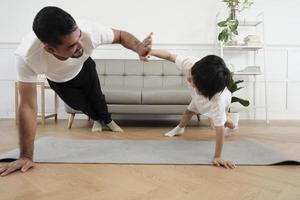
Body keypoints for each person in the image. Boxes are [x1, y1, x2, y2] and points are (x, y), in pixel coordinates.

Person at [0, 6, 152, 176]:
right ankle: (97, 119)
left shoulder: (89, 31)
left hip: (85, 67)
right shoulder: (27, 56)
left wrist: (138, 47)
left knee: (96, 97)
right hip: (60, 81)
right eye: (72, 45)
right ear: (50, 49)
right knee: (80, 105)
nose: (81, 45)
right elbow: (27, 106)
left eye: (79, 36)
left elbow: (121, 35)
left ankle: (108, 121)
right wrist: (25, 156)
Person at [150, 49, 236, 169]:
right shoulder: (191, 63)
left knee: (222, 120)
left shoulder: (217, 100)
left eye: (194, 81)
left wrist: (217, 156)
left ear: (204, 87)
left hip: (210, 99)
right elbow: (169, 55)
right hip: (199, 96)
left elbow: (220, 129)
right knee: (189, 111)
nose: (189, 80)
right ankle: (179, 129)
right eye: (192, 75)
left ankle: (233, 127)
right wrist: (150, 52)